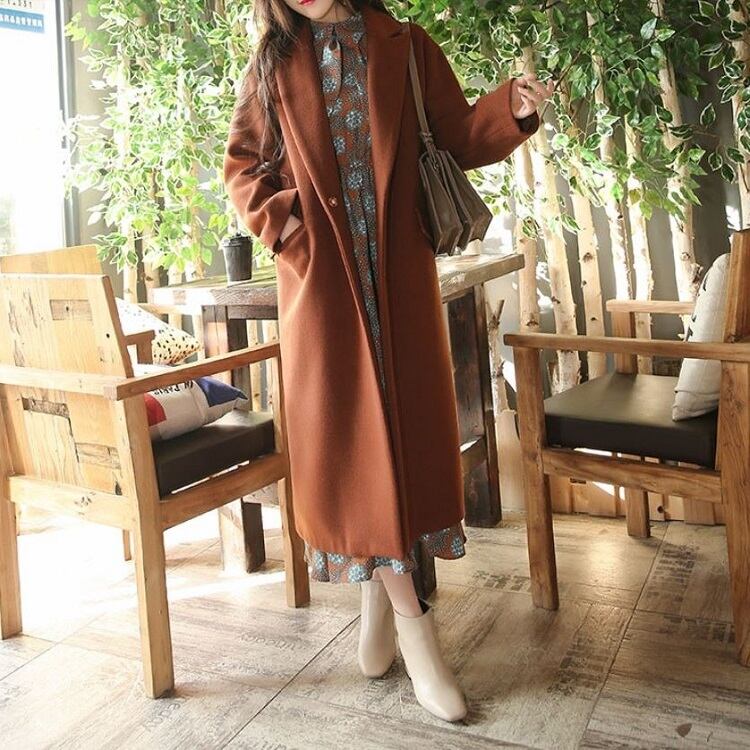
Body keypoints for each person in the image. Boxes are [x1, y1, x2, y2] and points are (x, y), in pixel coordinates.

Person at [223, 0, 552, 723]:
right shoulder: (274, 63)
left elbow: (456, 133)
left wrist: (511, 109)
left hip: (397, 275)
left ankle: (380, 601)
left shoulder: (404, 44)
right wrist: (289, 228)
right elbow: (243, 167)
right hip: (325, 287)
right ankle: (416, 628)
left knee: (401, 443)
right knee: (354, 445)